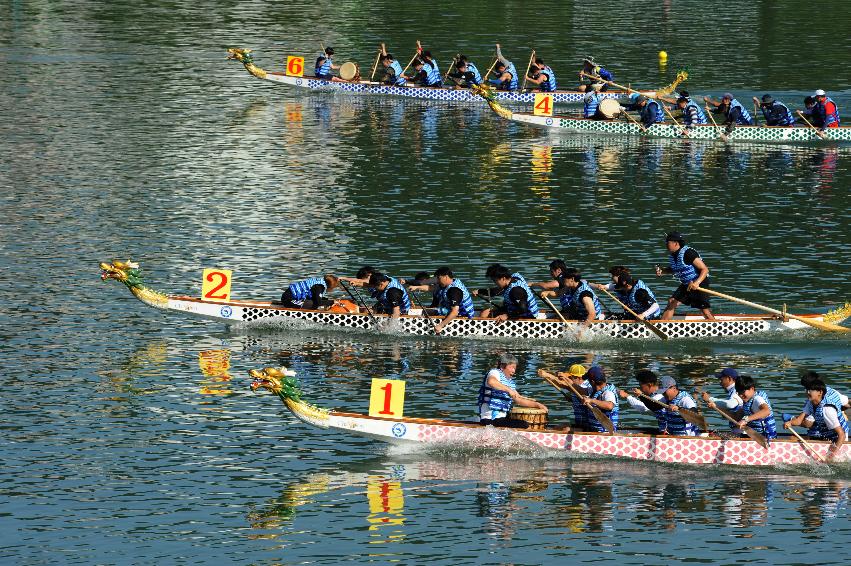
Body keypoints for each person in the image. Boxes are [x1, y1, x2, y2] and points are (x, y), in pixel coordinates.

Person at [655, 231, 714, 320]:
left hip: (700, 282)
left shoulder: (688, 253)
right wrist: (663, 271)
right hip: (687, 284)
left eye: (668, 243)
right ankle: (661, 326)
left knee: (704, 310)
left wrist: (696, 283)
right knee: (672, 302)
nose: (666, 245)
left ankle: (714, 325)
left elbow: (705, 269)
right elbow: (675, 269)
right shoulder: (673, 256)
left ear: (676, 243)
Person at [785, 378, 847, 460]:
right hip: (828, 436)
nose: (807, 392)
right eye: (807, 390)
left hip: (839, 439)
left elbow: (841, 435)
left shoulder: (827, 410)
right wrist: (790, 423)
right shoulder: (810, 403)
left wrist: (831, 457)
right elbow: (799, 420)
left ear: (820, 393)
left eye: (811, 390)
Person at [478, 353, 547, 426]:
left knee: (523, 422)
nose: (514, 371)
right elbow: (491, 381)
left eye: (515, 368)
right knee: (524, 425)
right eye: (512, 367)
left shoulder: (509, 382)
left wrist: (537, 405)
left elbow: (519, 400)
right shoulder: (495, 372)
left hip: (500, 418)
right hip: (490, 418)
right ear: (502, 366)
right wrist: (509, 390)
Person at [408, 266, 475, 334]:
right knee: (429, 310)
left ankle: (419, 326)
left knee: (429, 311)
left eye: (439, 278)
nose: (437, 281)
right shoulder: (450, 282)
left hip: (464, 315)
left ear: (445, 277)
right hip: (456, 311)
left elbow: (455, 312)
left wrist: (440, 325)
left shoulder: (454, 290)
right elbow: (430, 288)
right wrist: (416, 287)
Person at [702, 368, 743, 432]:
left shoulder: (736, 389)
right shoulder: (733, 391)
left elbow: (730, 404)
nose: (720, 383)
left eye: (721, 380)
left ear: (729, 378)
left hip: (742, 431)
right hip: (737, 428)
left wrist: (710, 399)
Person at [554, 364, 590, 430]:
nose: (570, 379)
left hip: (588, 426)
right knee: (558, 427)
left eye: (571, 377)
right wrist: (571, 399)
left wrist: (548, 376)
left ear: (579, 378)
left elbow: (585, 398)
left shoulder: (586, 387)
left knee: (565, 429)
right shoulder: (576, 386)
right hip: (579, 423)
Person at [583, 367, 619, 432]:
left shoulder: (608, 392)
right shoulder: (595, 391)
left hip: (605, 433)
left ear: (592, 382)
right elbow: (580, 390)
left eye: (588, 380)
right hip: (595, 430)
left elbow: (609, 406)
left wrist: (591, 400)